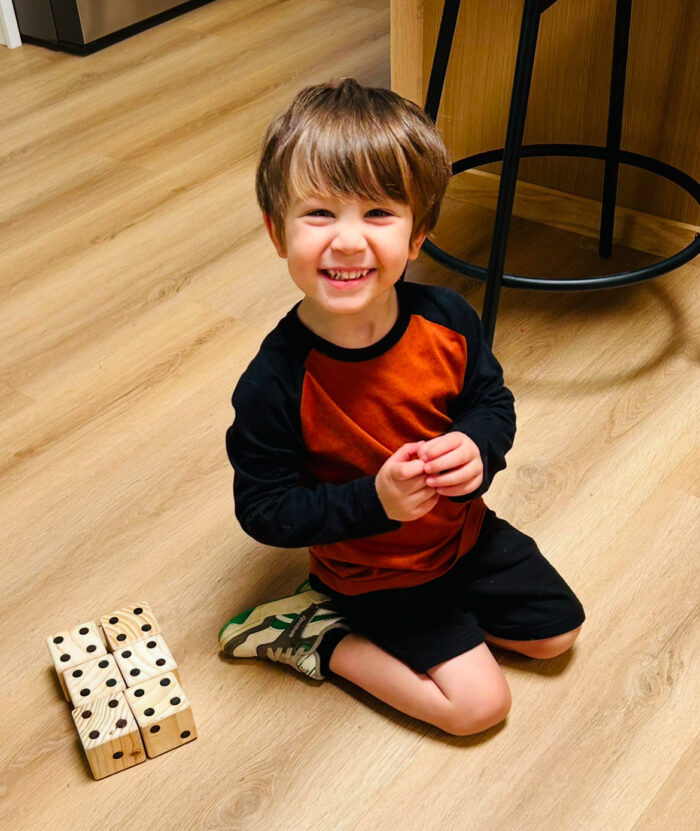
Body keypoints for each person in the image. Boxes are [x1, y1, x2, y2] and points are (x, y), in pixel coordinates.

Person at [219, 78, 584, 736]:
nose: (350, 241)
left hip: (462, 537)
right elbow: (263, 508)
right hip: (372, 573)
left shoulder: (447, 319)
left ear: (418, 235)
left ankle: (443, 627)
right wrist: (374, 503)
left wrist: (478, 447)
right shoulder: (275, 381)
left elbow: (489, 400)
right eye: (320, 213)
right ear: (277, 233)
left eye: (379, 213)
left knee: (557, 636)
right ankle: (316, 635)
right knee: (480, 707)